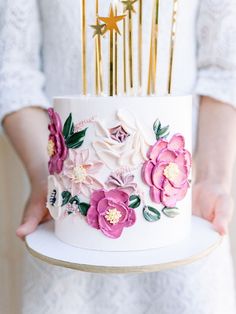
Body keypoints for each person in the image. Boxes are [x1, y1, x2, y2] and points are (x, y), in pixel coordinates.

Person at [1, 0, 236, 313]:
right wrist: (45, 173)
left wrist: (212, 177)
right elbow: (12, 72)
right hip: (68, 226)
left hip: (186, 213)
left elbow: (225, 64)